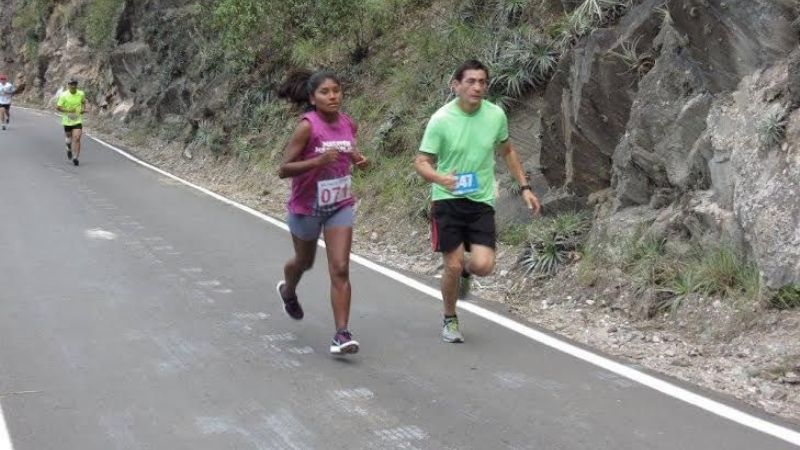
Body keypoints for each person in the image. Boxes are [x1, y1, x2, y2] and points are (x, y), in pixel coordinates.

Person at [414, 59, 542, 343]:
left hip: (481, 200)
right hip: (447, 200)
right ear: (455, 85)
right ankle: (450, 319)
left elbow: (508, 151)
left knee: (484, 265)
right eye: (471, 81)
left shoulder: (495, 115)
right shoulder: (441, 120)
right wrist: (439, 178)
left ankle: (465, 275)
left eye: (482, 82)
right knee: (454, 264)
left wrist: (524, 187)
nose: (477, 87)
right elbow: (421, 161)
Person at [275, 69, 369, 355]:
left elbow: (349, 152)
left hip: (339, 205)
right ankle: (288, 290)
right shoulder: (307, 126)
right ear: (313, 98)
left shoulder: (347, 123)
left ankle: (342, 334)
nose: (332, 96)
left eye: (336, 91)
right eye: (325, 92)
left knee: (340, 267)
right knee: (303, 263)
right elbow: (284, 169)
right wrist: (317, 161)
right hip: (306, 207)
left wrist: (359, 159)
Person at [55, 79, 87, 166]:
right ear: (68, 85)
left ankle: (76, 157)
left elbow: (84, 102)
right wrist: (68, 110)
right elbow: (58, 107)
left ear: (77, 85)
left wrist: (83, 109)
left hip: (77, 120)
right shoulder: (64, 95)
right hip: (67, 120)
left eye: (75, 84)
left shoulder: (81, 93)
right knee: (68, 137)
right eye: (71, 84)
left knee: (77, 138)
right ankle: (68, 148)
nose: (73, 86)